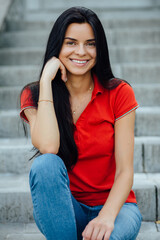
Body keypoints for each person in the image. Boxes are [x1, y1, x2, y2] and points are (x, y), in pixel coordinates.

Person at [19, 6, 142, 240]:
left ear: (100, 48)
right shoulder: (34, 96)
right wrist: (46, 80)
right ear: (58, 47)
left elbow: (125, 171)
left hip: (116, 209)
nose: (82, 51)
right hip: (65, 209)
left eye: (91, 43)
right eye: (71, 43)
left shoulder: (119, 93)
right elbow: (49, 147)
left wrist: (106, 217)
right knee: (45, 165)